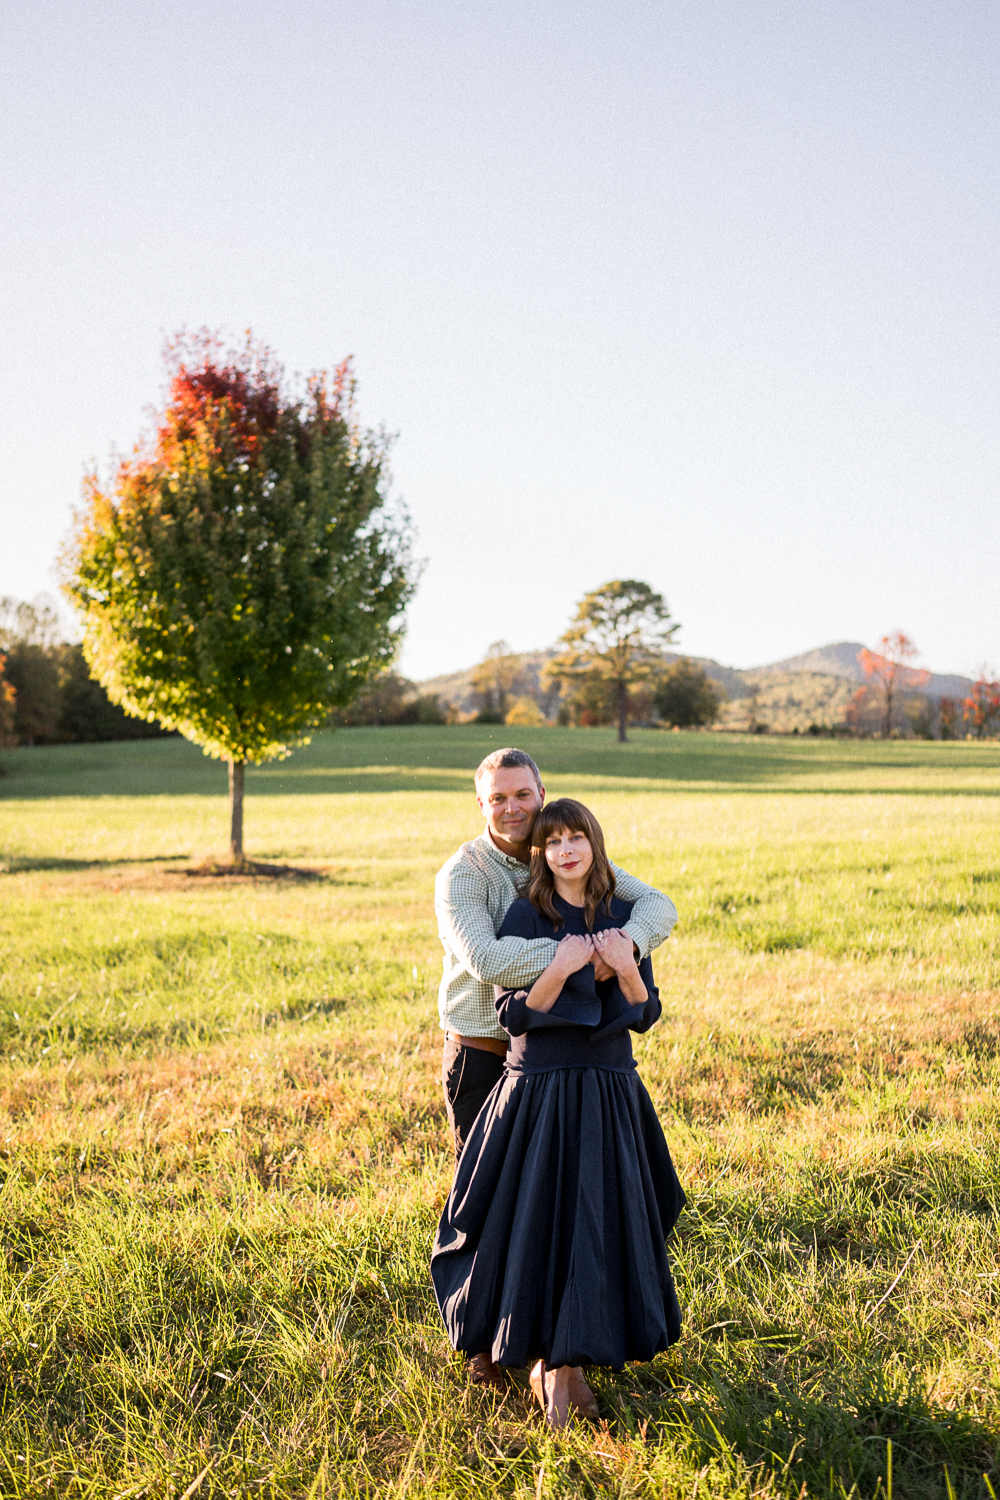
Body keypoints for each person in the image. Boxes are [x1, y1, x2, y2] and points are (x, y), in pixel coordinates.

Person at [431, 798, 685, 1427]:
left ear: (595, 844)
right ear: (540, 854)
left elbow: (644, 1013)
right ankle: (542, 1361)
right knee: (536, 1218)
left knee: (596, 1219)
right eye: (553, 842)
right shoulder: (527, 912)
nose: (566, 850)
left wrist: (625, 965)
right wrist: (561, 963)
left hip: (607, 1086)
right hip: (538, 1086)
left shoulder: (626, 916)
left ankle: (570, 1361)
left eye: (576, 838)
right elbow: (513, 1014)